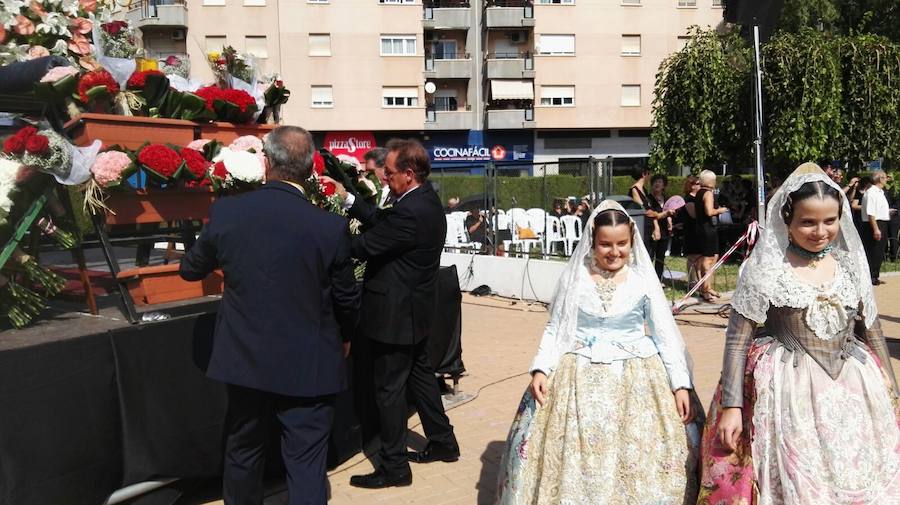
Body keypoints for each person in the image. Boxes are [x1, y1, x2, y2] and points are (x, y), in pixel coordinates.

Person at [697, 163, 900, 504]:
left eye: (829, 221)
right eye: (808, 222)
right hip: (788, 388)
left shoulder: (850, 264)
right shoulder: (767, 267)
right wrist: (732, 406)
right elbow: (737, 339)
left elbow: (872, 327)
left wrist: (892, 389)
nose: (820, 231)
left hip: (853, 384)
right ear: (787, 220)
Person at [179, 126, 360, 505]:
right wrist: (345, 337)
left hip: (246, 359)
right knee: (307, 461)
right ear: (311, 167)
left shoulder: (228, 212)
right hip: (310, 360)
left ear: (265, 163)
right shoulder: (329, 225)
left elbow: (191, 269)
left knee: (243, 450)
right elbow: (347, 299)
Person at [495, 200, 703, 505]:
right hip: (576, 375)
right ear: (592, 241)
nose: (614, 251)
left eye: (622, 244)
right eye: (605, 244)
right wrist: (541, 368)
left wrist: (679, 384)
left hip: (637, 377)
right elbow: (556, 328)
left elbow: (665, 335)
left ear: (632, 241)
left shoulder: (643, 281)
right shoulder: (574, 278)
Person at [324, 139, 460, 489]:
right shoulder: (421, 199)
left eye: (390, 172)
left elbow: (364, 246)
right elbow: (382, 217)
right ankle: (444, 441)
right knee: (420, 377)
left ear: (409, 174)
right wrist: (349, 199)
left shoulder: (412, 212)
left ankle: (395, 467)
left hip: (396, 316)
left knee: (389, 391)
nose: (384, 176)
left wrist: (320, 233)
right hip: (413, 313)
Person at [694, 170, 728, 302]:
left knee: (714, 257)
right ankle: (705, 289)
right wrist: (721, 210)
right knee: (708, 260)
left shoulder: (699, 193)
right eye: (713, 180)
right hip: (707, 229)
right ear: (709, 181)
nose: (715, 182)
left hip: (706, 229)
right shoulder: (707, 193)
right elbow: (709, 212)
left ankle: (708, 286)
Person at [628, 167, 674, 258]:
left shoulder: (643, 190)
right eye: (649, 174)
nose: (650, 177)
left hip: (648, 227)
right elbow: (645, 210)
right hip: (641, 228)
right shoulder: (634, 190)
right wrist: (661, 214)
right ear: (644, 174)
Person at [861, 171, 891, 285]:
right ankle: (871, 277)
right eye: (885, 177)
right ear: (880, 179)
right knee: (873, 251)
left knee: (879, 251)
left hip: (882, 222)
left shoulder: (880, 192)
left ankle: (875, 275)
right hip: (874, 224)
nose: (886, 180)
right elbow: (870, 213)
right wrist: (875, 229)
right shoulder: (871, 193)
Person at [678, 175, 702, 286]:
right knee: (692, 257)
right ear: (691, 186)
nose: (699, 186)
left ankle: (699, 279)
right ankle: (692, 281)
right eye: (697, 184)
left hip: (699, 230)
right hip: (691, 231)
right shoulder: (688, 199)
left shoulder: (699, 197)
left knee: (700, 257)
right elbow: (694, 215)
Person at [647, 174, 672, 280]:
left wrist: (670, 221)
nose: (657, 184)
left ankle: (658, 279)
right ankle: (648, 279)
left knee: (661, 257)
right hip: (652, 230)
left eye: (660, 182)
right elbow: (652, 215)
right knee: (650, 256)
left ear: (664, 185)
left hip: (664, 231)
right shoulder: (648, 198)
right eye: (655, 182)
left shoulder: (667, 199)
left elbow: (670, 213)